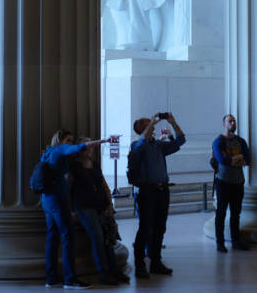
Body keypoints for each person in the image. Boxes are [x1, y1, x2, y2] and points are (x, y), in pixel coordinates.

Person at [41, 128, 118, 290]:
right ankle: (70, 279)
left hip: (47, 200)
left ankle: (51, 277)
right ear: (60, 140)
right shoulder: (60, 149)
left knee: (52, 238)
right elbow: (79, 147)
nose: (70, 143)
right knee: (68, 237)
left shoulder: (48, 153)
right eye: (68, 140)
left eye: (71, 140)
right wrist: (104, 141)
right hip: (58, 201)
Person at [130, 112, 186, 279]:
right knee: (145, 229)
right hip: (147, 191)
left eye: (150, 122)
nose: (151, 123)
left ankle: (156, 262)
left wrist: (173, 123)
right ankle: (140, 265)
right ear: (140, 128)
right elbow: (140, 144)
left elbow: (180, 141)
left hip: (163, 191)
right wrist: (152, 122)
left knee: (160, 228)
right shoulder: (137, 145)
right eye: (145, 123)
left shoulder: (158, 145)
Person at [69, 137, 130, 286]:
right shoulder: (74, 167)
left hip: (100, 206)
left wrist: (109, 204)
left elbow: (102, 185)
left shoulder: (95, 164)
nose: (90, 149)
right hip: (84, 207)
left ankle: (114, 270)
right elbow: (68, 188)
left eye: (91, 146)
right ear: (80, 149)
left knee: (108, 239)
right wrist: (71, 210)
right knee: (97, 238)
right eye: (88, 146)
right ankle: (104, 273)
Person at [212, 114, 250, 253]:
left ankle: (236, 241)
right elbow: (223, 160)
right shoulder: (218, 141)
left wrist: (235, 159)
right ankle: (220, 243)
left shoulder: (241, 141)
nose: (233, 123)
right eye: (230, 121)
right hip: (223, 182)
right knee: (221, 213)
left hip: (238, 182)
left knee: (236, 213)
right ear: (224, 124)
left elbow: (248, 159)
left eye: (234, 121)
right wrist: (239, 158)